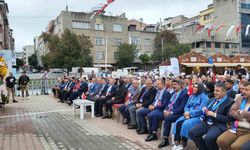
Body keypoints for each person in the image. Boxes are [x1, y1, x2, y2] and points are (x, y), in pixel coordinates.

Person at [189, 83, 234, 150]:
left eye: (217, 91)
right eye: (214, 90)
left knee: (208, 138)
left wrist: (214, 115)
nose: (215, 92)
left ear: (224, 92)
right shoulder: (211, 100)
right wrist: (204, 111)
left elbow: (229, 119)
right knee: (192, 132)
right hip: (208, 122)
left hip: (219, 124)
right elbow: (206, 114)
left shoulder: (230, 102)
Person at [172, 83, 209, 150]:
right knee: (178, 122)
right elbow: (186, 106)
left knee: (186, 124)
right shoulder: (191, 96)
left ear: (200, 88)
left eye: (196, 87)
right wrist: (187, 112)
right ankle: (176, 142)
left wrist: (190, 114)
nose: (194, 88)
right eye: (193, 87)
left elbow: (201, 110)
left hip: (198, 116)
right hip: (188, 114)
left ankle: (183, 143)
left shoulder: (204, 97)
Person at [217, 82, 250, 150]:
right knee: (221, 141)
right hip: (236, 127)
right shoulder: (240, 98)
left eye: (246, 90)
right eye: (242, 89)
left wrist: (244, 113)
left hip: (248, 130)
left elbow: (241, 113)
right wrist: (242, 115)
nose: (243, 91)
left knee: (236, 146)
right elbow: (231, 112)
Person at [158, 80, 189, 148]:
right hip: (170, 112)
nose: (174, 86)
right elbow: (168, 104)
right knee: (162, 116)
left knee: (168, 118)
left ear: (180, 85)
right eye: (173, 84)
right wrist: (165, 110)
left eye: (176, 84)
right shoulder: (172, 94)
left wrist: (171, 112)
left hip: (179, 114)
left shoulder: (184, 95)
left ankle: (165, 139)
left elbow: (181, 108)